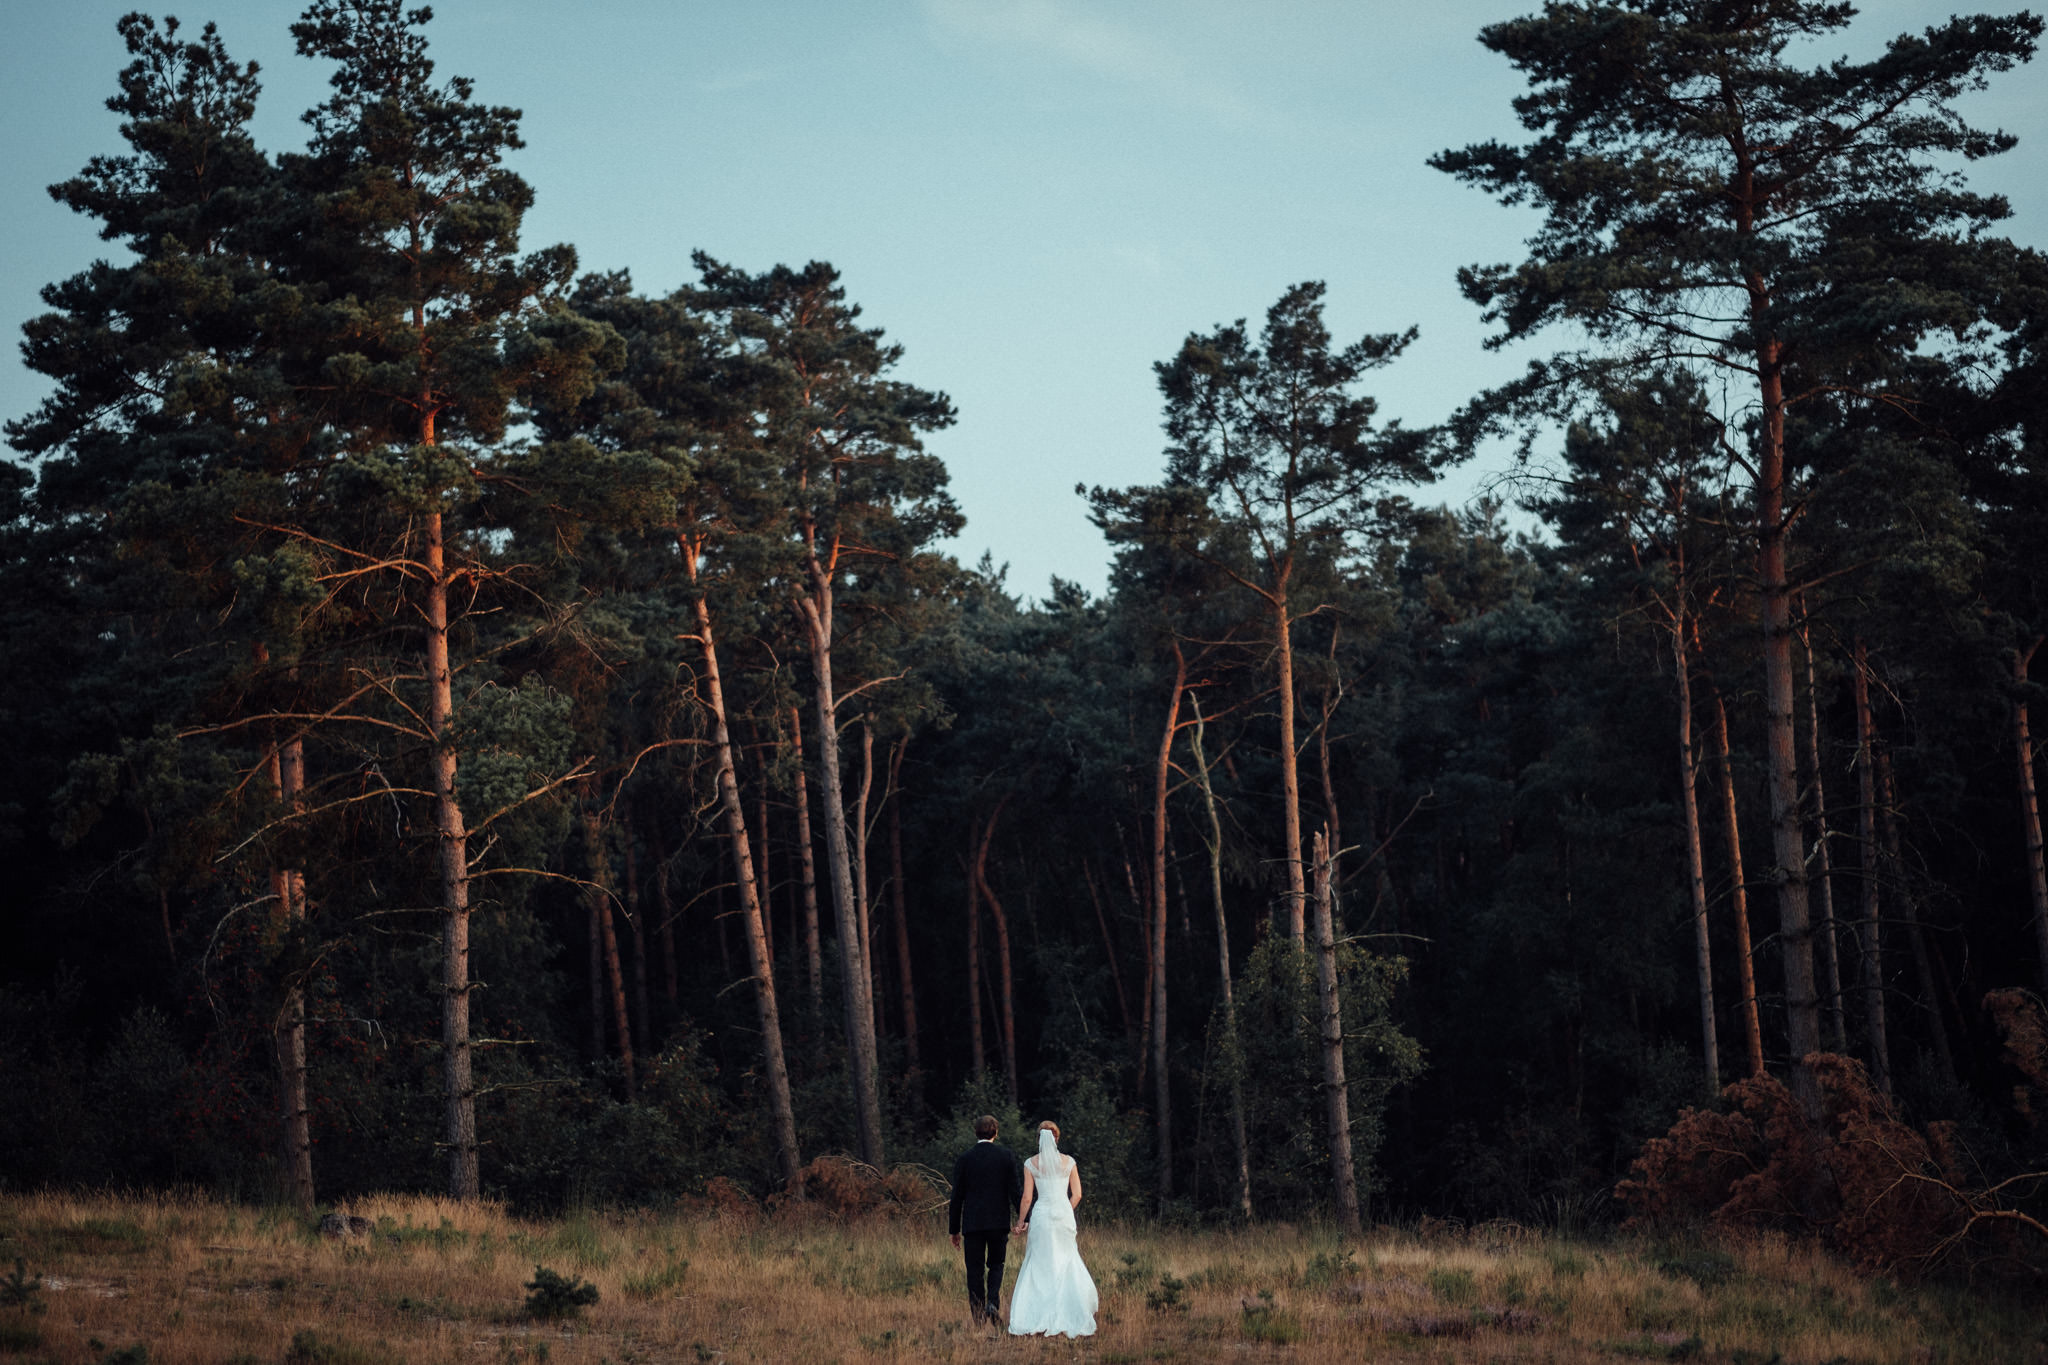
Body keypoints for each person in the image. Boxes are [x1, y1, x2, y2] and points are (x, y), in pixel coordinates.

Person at [1006, 1120, 1098, 1338]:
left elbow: (1027, 1197)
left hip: (1042, 1215)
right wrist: (1066, 1207)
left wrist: (1021, 1222)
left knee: (1040, 1261)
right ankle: (1072, 1309)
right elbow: (1077, 1194)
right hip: (1063, 1215)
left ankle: (1035, 1312)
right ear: (1056, 1138)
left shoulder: (1031, 1163)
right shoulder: (1069, 1162)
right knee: (1066, 1259)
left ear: (1039, 1139)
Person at [947, 1113, 1023, 1328]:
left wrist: (954, 1229)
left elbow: (957, 1198)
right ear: (995, 1133)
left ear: (975, 1133)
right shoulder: (1006, 1156)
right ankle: (992, 1302)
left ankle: (979, 1318)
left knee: (974, 1270)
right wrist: (1022, 1217)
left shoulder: (965, 1158)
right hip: (998, 1222)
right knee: (996, 1264)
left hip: (972, 1224)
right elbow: (1014, 1192)